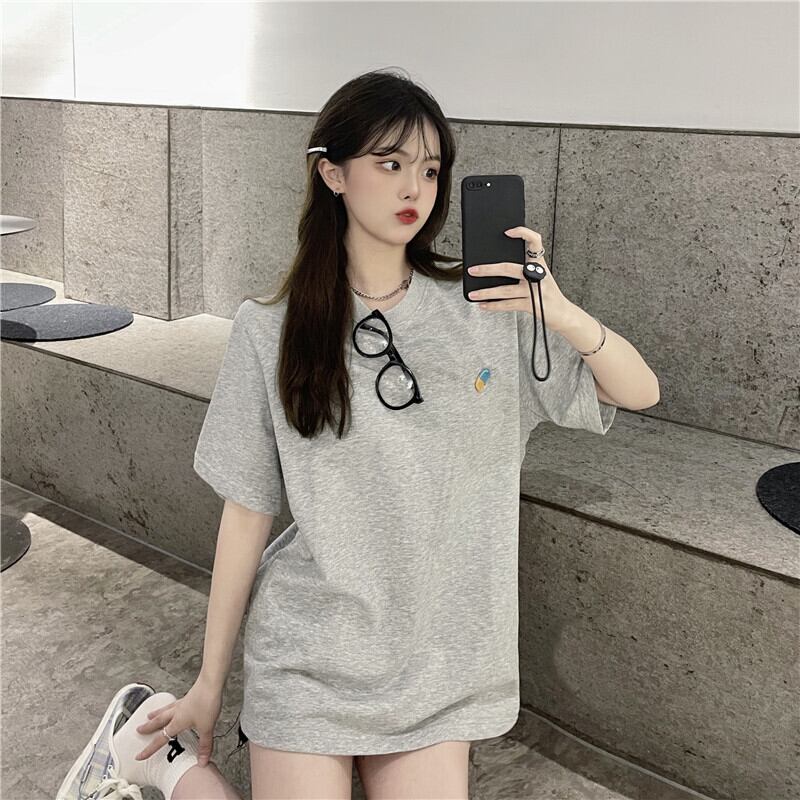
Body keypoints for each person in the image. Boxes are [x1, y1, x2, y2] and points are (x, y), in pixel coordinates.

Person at [60, 65, 621, 800]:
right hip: (310, 651)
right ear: (332, 173)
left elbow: (634, 390)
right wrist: (208, 683)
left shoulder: (486, 311)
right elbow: (246, 515)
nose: (414, 187)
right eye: (390, 163)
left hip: (435, 664)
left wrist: (562, 311)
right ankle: (165, 763)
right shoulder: (270, 329)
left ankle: (164, 766)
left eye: (430, 169)